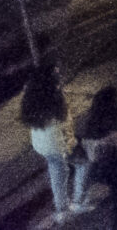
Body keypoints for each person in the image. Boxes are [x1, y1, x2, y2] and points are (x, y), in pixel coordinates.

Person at [21, 59, 79, 221]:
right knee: (61, 172)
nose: (59, 76)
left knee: (58, 170)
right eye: (56, 74)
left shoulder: (33, 96)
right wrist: (69, 145)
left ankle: (63, 205)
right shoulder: (55, 99)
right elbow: (64, 125)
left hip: (41, 143)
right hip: (54, 144)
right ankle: (63, 209)